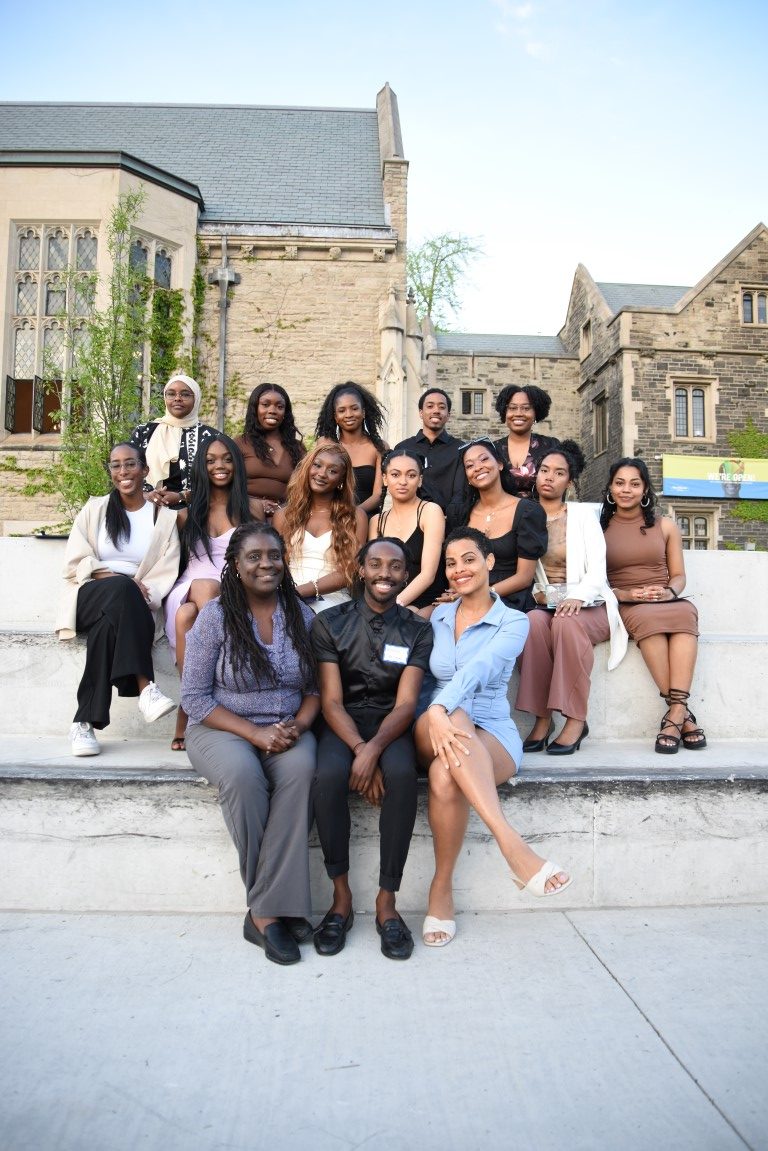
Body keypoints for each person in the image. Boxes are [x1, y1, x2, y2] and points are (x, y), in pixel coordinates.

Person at [415, 527, 573, 947]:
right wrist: (436, 710)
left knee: (444, 775)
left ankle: (441, 888)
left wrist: (441, 706)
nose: (459, 569)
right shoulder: (438, 615)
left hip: (492, 731)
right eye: (450, 563)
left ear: (488, 562)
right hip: (430, 725)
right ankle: (514, 847)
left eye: (469, 559)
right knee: (455, 714)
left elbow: (479, 669)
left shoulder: (514, 621)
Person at [182, 523, 320, 966]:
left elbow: (316, 691)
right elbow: (195, 698)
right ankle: (270, 913)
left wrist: (298, 725)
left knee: (300, 774)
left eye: (274, 556)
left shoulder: (303, 616)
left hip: (288, 727)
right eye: (254, 557)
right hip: (221, 727)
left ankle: (265, 908)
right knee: (243, 777)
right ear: (235, 566)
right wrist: (255, 733)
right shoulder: (216, 616)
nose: (266, 564)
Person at [310, 538, 434, 961]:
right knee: (326, 776)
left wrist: (375, 749)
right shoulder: (329, 623)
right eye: (376, 564)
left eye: (395, 567)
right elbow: (328, 701)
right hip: (342, 722)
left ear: (405, 574)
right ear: (360, 569)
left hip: (391, 724)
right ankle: (340, 899)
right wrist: (360, 749)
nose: (385, 574)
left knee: (401, 775)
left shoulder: (418, 628)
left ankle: (386, 902)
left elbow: (405, 704)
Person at [55, 442, 180, 757]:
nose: (123, 472)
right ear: (110, 471)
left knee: (106, 628)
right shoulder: (95, 509)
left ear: (145, 470)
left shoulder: (163, 519)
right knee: (122, 590)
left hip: (133, 602)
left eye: (130, 464)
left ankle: (84, 723)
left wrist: (133, 587)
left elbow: (165, 570)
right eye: (116, 465)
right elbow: (76, 561)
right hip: (89, 593)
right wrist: (115, 580)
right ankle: (144, 687)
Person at [515, 443, 628, 755]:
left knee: (565, 624)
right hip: (546, 604)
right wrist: (543, 595)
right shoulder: (525, 516)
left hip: (591, 605)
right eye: (545, 471)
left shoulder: (582, 515)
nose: (550, 477)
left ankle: (576, 718)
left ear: (570, 481)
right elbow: (529, 577)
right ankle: (542, 719)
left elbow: (597, 573)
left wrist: (575, 596)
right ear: (535, 476)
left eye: (560, 472)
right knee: (532, 623)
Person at [163, 434, 264, 750]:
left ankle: (187, 707)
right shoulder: (185, 514)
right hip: (191, 586)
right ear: (201, 468)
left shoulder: (253, 509)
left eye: (226, 459)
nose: (219, 466)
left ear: (236, 463)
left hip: (233, 591)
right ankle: (197, 704)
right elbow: (165, 562)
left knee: (186, 616)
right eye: (210, 460)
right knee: (199, 591)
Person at [601, 458, 706, 754]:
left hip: (666, 598)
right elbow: (597, 580)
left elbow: (679, 575)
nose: (626, 490)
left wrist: (669, 592)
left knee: (686, 613)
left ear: (645, 488)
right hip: (628, 602)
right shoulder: (599, 529)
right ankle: (682, 716)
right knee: (649, 622)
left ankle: (675, 713)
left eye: (635, 484)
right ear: (610, 487)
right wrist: (627, 594)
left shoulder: (666, 526)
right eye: (620, 483)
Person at [449, 437, 547, 612]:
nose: (477, 467)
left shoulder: (527, 511)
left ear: (500, 464)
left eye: (484, 459)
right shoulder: (462, 514)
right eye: (469, 465)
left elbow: (524, 577)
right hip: (468, 597)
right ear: (468, 477)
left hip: (510, 601)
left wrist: (483, 594)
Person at [272, 442, 367, 613]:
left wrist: (302, 592)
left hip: (332, 600)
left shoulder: (355, 517)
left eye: (333, 471)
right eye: (317, 465)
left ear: (341, 480)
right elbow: (279, 565)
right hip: (287, 596)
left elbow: (348, 571)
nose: (322, 474)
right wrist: (288, 594)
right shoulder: (284, 516)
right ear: (308, 468)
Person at [368, 450, 446, 609]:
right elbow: (373, 573)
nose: (403, 481)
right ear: (385, 479)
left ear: (420, 480)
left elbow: (428, 575)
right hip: (385, 599)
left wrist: (393, 606)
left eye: (411, 475)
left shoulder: (430, 511)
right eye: (395, 475)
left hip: (423, 601)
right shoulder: (377, 521)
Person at [130, 373, 218, 508]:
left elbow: (220, 481)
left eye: (185, 394)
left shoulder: (211, 437)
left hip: (197, 514)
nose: (178, 398)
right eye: (171, 394)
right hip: (148, 510)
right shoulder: (145, 432)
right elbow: (129, 471)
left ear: (196, 398)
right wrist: (145, 495)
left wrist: (182, 497)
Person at [233, 383, 306, 516]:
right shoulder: (240, 443)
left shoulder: (297, 448)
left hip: (285, 516)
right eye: (265, 405)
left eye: (279, 406)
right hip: (245, 514)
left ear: (285, 412)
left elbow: (304, 489)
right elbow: (227, 486)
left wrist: (283, 508)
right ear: (255, 408)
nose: (272, 410)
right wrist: (256, 504)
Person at [315, 382, 388, 514]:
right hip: (331, 515)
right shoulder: (326, 444)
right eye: (342, 410)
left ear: (363, 412)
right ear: (335, 417)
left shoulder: (379, 447)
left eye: (354, 408)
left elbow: (378, 495)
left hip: (367, 515)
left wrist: (354, 513)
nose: (349, 414)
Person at [392, 388, 466, 510]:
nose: (436, 411)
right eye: (430, 406)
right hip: (408, 519)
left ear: (448, 415)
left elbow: (460, 493)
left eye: (442, 407)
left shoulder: (460, 449)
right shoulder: (403, 448)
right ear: (421, 413)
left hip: (448, 522)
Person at [493, 384, 560, 498]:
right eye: (512, 408)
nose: (519, 413)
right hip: (500, 514)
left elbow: (560, 484)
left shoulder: (551, 446)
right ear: (505, 412)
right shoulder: (492, 449)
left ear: (536, 413)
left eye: (526, 408)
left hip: (541, 513)